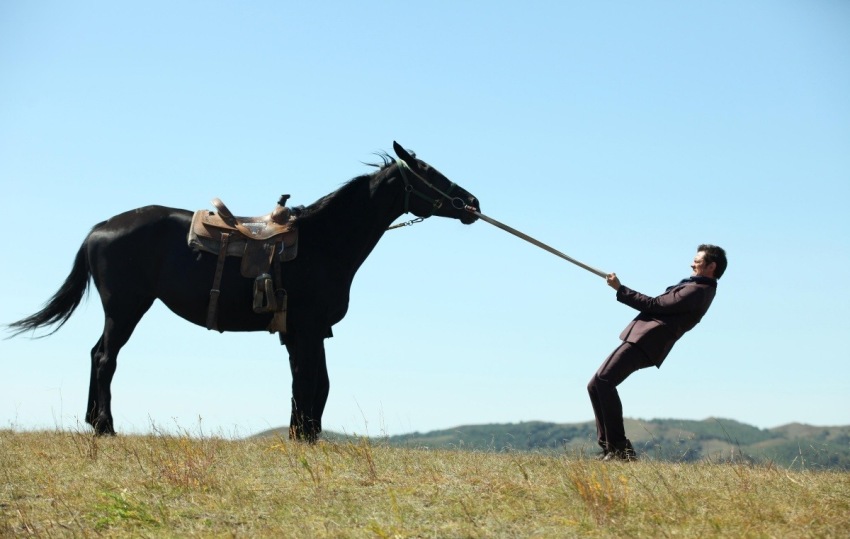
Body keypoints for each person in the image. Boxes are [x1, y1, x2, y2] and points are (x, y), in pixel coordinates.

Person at [587, 244, 727, 462]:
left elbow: (655, 304)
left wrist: (620, 288)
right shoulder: (697, 287)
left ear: (711, 266)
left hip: (646, 343)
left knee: (603, 381)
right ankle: (610, 448)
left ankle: (620, 450)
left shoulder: (697, 291)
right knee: (596, 384)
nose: (692, 264)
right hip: (643, 341)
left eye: (697, 261)